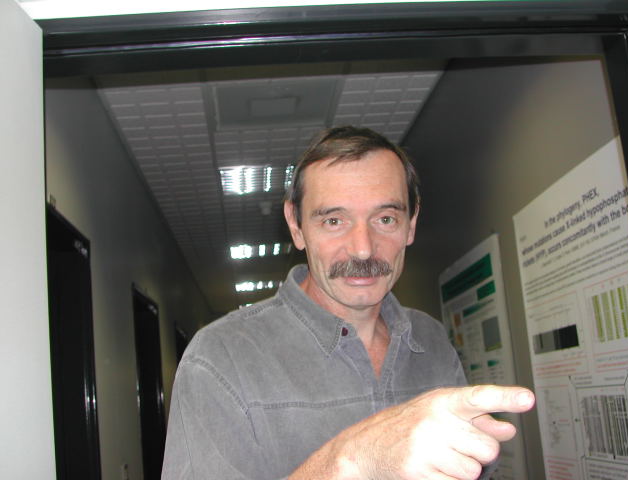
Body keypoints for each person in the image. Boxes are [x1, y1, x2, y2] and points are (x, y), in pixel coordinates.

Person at [161, 126, 535, 480]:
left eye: (385, 218)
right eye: (334, 221)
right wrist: (350, 460)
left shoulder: (432, 339)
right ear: (296, 224)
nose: (363, 249)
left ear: (411, 223)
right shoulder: (220, 358)